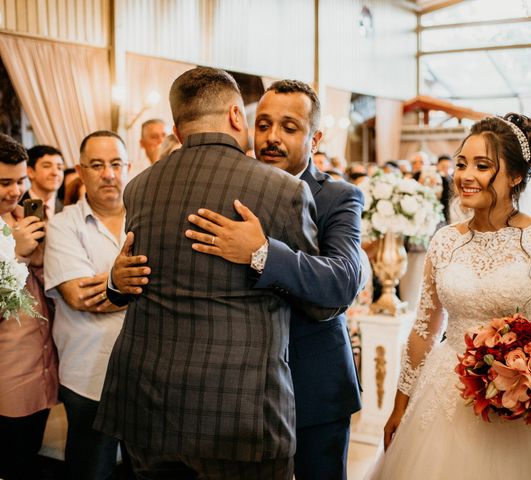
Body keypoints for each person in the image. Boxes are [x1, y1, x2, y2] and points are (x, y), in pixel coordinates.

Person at [108, 79, 365, 480]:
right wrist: (117, 279)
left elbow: (343, 280)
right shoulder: (222, 179)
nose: (272, 138)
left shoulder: (339, 196)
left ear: (315, 138)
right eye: (263, 125)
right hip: (231, 396)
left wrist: (262, 254)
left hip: (311, 380)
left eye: (288, 127)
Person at [368, 114, 531, 479]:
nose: (465, 175)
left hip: (526, 394)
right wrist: (399, 405)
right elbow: (423, 330)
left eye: (482, 166)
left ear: (515, 176)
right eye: (461, 164)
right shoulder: (445, 241)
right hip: (449, 390)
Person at [44, 131, 131, 479]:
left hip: (145, 374)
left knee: (143, 469)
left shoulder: (148, 220)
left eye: (115, 164)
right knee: (91, 468)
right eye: (97, 165)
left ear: (128, 167)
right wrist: (139, 287)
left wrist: (108, 283)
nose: (108, 174)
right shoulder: (63, 226)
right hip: (88, 375)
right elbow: (80, 296)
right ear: (80, 171)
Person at [0, 134, 57, 480]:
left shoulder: (21, 215)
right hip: (8, 378)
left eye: (20, 180)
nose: (15, 190)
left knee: (29, 455)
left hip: (42, 368)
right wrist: (16, 255)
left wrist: (38, 258)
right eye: (4, 182)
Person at [20, 145, 65, 218]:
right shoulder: (15, 207)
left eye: (59, 168)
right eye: (47, 166)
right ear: (30, 172)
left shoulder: (67, 210)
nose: (55, 173)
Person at [435, 154, 453, 224]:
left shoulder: (450, 180)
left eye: (448, 167)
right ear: (437, 165)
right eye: (443, 166)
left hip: (445, 214)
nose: (446, 169)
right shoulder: (432, 178)